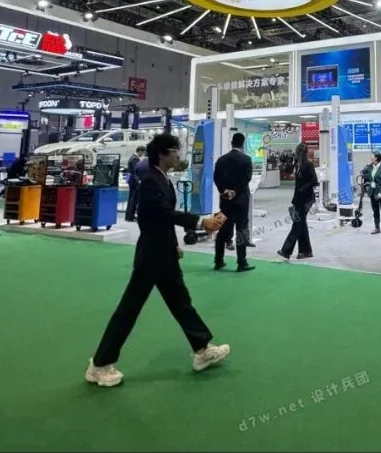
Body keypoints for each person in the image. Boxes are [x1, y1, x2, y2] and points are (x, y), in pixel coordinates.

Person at [85, 133, 230, 388]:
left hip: (163, 254)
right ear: (162, 154)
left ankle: (202, 349)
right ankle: (99, 365)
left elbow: (161, 219)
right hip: (151, 257)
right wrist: (200, 222)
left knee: (181, 302)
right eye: (175, 151)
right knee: (129, 309)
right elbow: (162, 214)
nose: (178, 155)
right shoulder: (151, 181)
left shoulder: (162, 179)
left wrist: (173, 244)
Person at [213, 132, 254, 272]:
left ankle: (218, 261)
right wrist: (235, 191)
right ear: (243, 144)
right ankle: (242, 262)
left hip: (225, 201)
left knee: (222, 229)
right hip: (241, 201)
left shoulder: (221, 159)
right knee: (241, 229)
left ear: (231, 143)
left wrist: (224, 191)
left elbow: (216, 177)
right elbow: (246, 179)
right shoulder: (247, 159)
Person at [277, 143, 317, 260]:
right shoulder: (298, 164)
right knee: (301, 224)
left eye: (298, 152)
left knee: (297, 224)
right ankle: (306, 251)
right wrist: (292, 162)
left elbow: (314, 180)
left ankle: (286, 250)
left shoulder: (308, 165)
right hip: (298, 199)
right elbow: (288, 171)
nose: (297, 154)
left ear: (302, 153)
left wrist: (304, 188)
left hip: (307, 199)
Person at [364, 152, 381, 234]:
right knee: (375, 211)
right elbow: (366, 176)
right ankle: (377, 228)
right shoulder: (370, 167)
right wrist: (367, 187)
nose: (371, 158)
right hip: (372, 191)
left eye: (372, 156)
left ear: (376, 158)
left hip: (380, 192)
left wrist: (380, 193)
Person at [125, 145, 148, 223]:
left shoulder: (131, 157)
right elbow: (136, 171)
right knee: (134, 199)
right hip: (134, 181)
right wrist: (138, 181)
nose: (143, 154)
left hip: (130, 180)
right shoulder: (135, 159)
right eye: (143, 153)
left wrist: (127, 180)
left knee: (131, 198)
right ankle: (130, 216)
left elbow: (129, 171)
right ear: (140, 151)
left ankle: (128, 216)